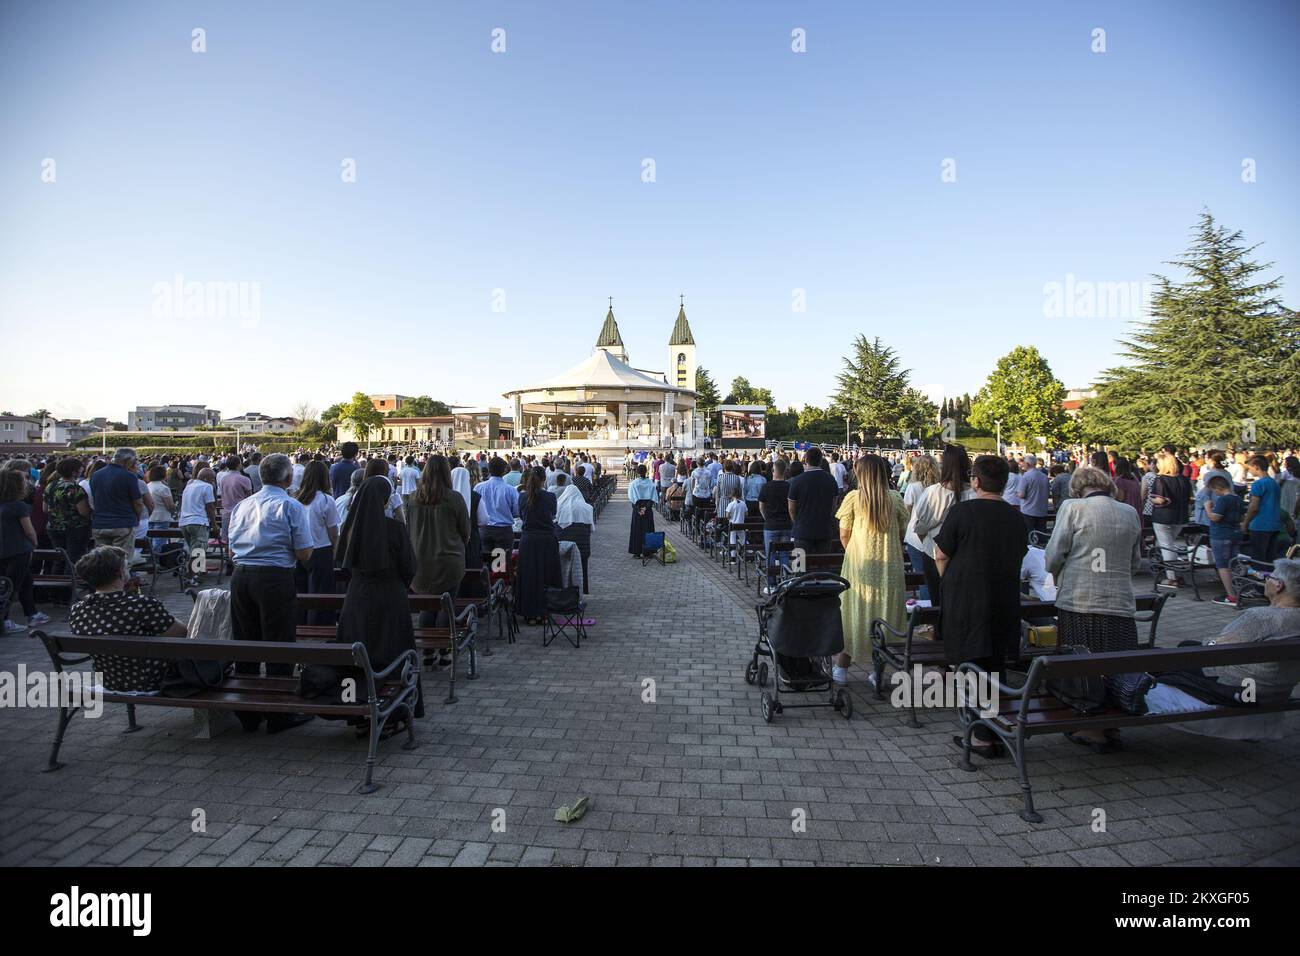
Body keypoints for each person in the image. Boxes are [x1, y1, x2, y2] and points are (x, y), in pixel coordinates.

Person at [302, 476, 423, 723]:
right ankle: (395, 709)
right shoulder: (395, 529)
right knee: (393, 651)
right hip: (390, 598)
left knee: (357, 653)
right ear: (385, 500)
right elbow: (409, 567)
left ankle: (354, 705)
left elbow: (342, 564)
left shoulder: (351, 529)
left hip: (357, 597)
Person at [933, 454, 1028, 757]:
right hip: (1003, 599)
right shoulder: (1015, 516)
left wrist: (950, 582)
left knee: (971, 665)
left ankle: (980, 736)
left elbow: (941, 554)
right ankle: (993, 727)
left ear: (975, 481)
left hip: (968, 600)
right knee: (995, 665)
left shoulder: (963, 511)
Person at [1144, 558, 1300, 740]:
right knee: (1187, 646)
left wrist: (1209, 642)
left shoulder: (1261, 617)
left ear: (1278, 585)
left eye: (1269, 577)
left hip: (1239, 687)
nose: (1266, 580)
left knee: (1174, 653)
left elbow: (1217, 649)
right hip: (1277, 689)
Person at [1043, 465, 1142, 751]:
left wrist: (1056, 571)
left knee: (1083, 666)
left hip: (1080, 599)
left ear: (1077, 487)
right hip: (1120, 600)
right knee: (1115, 662)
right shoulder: (1129, 512)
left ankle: (1091, 725)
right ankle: (1113, 724)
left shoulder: (1073, 508)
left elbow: (1054, 554)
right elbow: (1135, 561)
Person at [225, 453, 315, 734]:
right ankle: (278, 712)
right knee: (279, 643)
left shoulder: (243, 505)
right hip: (275, 577)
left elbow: (230, 549)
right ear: (288, 478)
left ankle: (248, 711)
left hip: (241, 576)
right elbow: (304, 553)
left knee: (246, 642)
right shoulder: (291, 506)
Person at [67, 546, 187, 692]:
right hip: (154, 680)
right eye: (126, 566)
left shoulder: (78, 609)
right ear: (120, 573)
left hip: (109, 680)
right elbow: (180, 632)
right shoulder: (141, 605)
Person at [833, 455, 908, 685]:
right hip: (890, 568)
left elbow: (844, 533)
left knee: (854, 613)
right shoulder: (895, 499)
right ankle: (878, 672)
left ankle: (841, 669)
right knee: (886, 615)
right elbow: (902, 533)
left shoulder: (853, 498)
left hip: (859, 566)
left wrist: (853, 552)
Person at [910, 444, 975, 606]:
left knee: (938, 602)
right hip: (966, 555)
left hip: (934, 551)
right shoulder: (974, 493)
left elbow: (920, 527)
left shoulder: (934, 493)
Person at [407, 454, 470, 614]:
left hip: (420, 560)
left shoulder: (414, 498)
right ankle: (446, 638)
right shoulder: (454, 498)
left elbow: (408, 528)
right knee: (446, 610)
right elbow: (465, 531)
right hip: (448, 560)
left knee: (426, 610)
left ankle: (427, 638)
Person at [1, 469, 51, 633]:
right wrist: (34, 543)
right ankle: (5, 620)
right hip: (18, 550)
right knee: (13, 586)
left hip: (4, 549)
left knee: (24, 583)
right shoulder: (19, 506)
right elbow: (29, 530)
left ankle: (32, 613)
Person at [294, 460, 339, 616]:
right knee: (320, 595)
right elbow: (333, 531)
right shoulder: (326, 500)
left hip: (298, 550)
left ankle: (300, 622)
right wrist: (334, 549)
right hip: (320, 549)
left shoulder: (295, 498)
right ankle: (318, 626)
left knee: (300, 591)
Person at [517, 466, 560, 625]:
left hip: (528, 540)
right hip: (546, 540)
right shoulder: (550, 497)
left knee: (529, 576)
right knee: (545, 575)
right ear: (544, 480)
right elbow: (553, 514)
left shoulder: (522, 497)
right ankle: (544, 611)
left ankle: (530, 613)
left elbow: (521, 516)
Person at [89, 447, 146, 556]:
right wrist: (137, 518)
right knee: (121, 562)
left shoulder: (96, 475)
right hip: (122, 524)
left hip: (100, 524)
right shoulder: (129, 476)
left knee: (103, 561)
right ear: (129, 460)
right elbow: (138, 503)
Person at [1150, 451, 1192, 590]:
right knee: (1170, 544)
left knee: (1166, 546)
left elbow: (1160, 499)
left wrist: (1151, 499)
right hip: (1181, 516)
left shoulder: (1161, 479)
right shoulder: (1184, 479)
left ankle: (1172, 578)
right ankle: (1175, 573)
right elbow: (1190, 499)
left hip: (1164, 516)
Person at [787, 447, 840, 554]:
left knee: (800, 566)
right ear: (820, 460)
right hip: (824, 529)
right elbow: (834, 507)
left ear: (806, 460)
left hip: (802, 531)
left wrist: (797, 522)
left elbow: (791, 508)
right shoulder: (831, 480)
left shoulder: (797, 481)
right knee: (823, 566)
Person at [901, 454, 938, 599]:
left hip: (915, 534)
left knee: (922, 576)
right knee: (934, 575)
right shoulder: (939, 487)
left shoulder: (913, 487)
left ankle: (926, 612)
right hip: (934, 532)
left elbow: (906, 512)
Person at [44, 457, 92, 565]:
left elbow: (45, 508)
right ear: (73, 472)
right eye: (80, 469)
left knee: (59, 559)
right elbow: (83, 512)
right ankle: (71, 580)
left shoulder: (51, 486)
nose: (82, 470)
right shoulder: (75, 488)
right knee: (73, 559)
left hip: (53, 527)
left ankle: (57, 579)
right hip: (75, 528)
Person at [1204, 474, 1243, 606]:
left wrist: (1208, 508)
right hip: (1235, 533)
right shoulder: (1238, 498)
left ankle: (1231, 595)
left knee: (1223, 566)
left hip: (1221, 535)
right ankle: (1237, 592)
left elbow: (1215, 517)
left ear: (1217, 489)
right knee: (1233, 564)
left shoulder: (1223, 500)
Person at [477, 457, 520, 564]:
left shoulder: (479, 487)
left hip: (485, 530)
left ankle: (487, 579)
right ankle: (498, 579)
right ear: (505, 470)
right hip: (503, 531)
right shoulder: (510, 490)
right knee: (499, 566)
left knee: (485, 562)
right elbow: (516, 512)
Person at [178, 466, 218, 580]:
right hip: (198, 521)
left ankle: (200, 570)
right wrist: (214, 524)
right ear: (205, 478)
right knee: (198, 550)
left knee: (194, 548)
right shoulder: (207, 486)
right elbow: (210, 507)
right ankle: (192, 575)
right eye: (212, 479)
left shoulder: (189, 486)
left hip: (184, 521)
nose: (213, 481)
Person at [1241, 455, 1282, 562]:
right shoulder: (1274, 483)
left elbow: (1254, 507)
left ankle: (1260, 578)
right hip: (1274, 524)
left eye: (1250, 467)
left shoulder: (1258, 484)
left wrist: (1245, 522)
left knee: (1258, 558)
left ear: (1256, 467)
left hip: (1260, 525)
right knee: (1270, 558)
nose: (1249, 470)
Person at [758, 458, 793, 576]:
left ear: (773, 470)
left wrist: (766, 518)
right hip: (786, 525)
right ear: (785, 471)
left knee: (770, 554)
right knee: (784, 554)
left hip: (771, 525)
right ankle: (784, 580)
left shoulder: (766, 487)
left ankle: (771, 584)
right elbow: (792, 507)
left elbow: (761, 507)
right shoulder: (789, 486)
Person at [216, 454, 253, 543]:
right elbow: (250, 498)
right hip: (241, 514)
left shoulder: (223, 479)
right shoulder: (244, 479)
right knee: (240, 541)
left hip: (226, 513)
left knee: (226, 541)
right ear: (238, 465)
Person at [627, 464, 658, 557]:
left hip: (637, 509)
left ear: (637, 472)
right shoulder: (651, 483)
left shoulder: (633, 483)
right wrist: (646, 508)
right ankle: (648, 552)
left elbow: (632, 498)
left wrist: (638, 509)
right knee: (648, 530)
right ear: (646, 472)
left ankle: (636, 552)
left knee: (637, 530)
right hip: (647, 509)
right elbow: (653, 498)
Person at [1016, 454, 1049, 534]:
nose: (1022, 464)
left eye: (1023, 462)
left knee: (1028, 536)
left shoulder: (1026, 476)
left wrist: (1017, 493)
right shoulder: (1044, 476)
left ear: (1027, 464)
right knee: (1040, 536)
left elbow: (1022, 494)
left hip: (1028, 510)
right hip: (1042, 510)